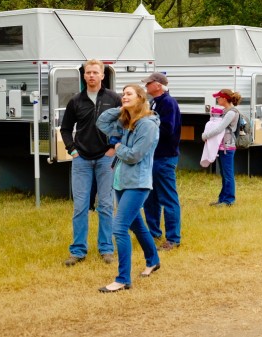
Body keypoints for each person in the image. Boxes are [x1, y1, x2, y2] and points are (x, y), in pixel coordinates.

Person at [96, 84, 161, 292]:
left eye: (129, 94)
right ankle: (153, 260)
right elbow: (101, 122)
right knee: (137, 226)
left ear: (141, 98)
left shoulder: (148, 125)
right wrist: (123, 108)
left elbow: (134, 155)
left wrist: (117, 147)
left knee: (119, 228)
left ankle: (123, 278)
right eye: (123, 94)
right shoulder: (126, 122)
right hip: (121, 181)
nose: (124, 97)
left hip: (138, 183)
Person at [60, 59, 121, 267]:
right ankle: (78, 251)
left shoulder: (114, 99)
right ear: (84, 76)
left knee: (105, 204)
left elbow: (125, 125)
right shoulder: (75, 101)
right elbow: (66, 129)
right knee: (80, 206)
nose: (92, 75)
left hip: (106, 159)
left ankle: (106, 249)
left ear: (103, 75)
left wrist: (114, 148)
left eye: (96, 72)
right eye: (88, 72)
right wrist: (72, 150)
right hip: (81, 160)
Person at [141, 72, 182, 252]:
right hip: (153, 157)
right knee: (150, 197)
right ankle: (153, 232)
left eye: (148, 84)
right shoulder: (154, 102)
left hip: (164, 157)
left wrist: (147, 126)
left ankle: (173, 238)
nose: (146, 87)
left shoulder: (167, 103)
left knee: (167, 198)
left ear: (158, 85)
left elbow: (167, 129)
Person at [202, 89, 242, 206]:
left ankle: (229, 200)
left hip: (227, 147)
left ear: (224, 98)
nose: (217, 99)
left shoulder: (231, 113)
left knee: (228, 175)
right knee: (225, 175)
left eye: (218, 98)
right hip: (222, 146)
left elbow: (220, 128)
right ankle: (222, 199)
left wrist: (206, 136)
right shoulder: (225, 111)